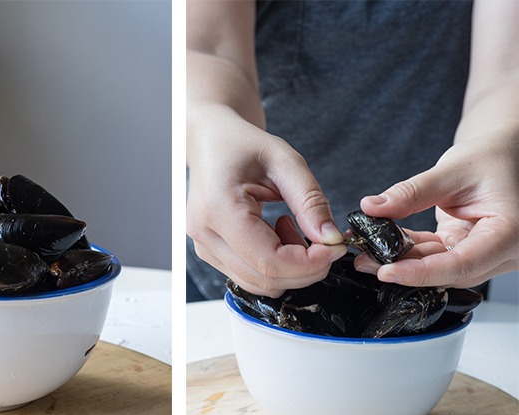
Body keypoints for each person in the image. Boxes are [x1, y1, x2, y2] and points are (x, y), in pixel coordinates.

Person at [186, 0, 518, 302]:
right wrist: (209, 125)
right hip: (236, 240)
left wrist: (505, 141)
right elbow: (206, 47)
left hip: (454, 243)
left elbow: (508, 69)